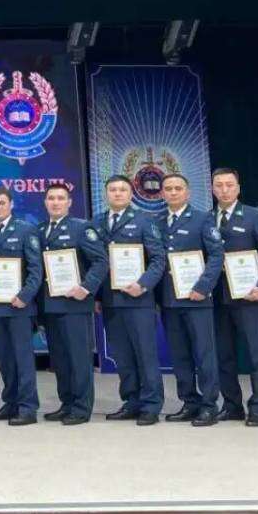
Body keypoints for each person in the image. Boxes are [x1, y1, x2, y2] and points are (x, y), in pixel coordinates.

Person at [91, 176, 167, 426]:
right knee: (122, 356)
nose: (117, 193)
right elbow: (94, 262)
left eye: (122, 189)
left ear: (131, 193)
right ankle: (131, 401)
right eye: (112, 189)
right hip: (111, 300)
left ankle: (151, 405)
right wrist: (97, 295)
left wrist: (143, 284)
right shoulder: (97, 222)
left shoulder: (146, 221)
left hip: (138, 299)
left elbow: (158, 259)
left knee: (145, 354)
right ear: (106, 194)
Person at [210, 167, 258, 427]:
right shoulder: (207, 218)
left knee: (256, 354)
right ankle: (231, 406)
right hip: (217, 297)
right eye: (219, 185)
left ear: (238, 188)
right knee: (223, 354)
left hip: (250, 296)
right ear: (212, 189)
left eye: (229, 185)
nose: (224, 190)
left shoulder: (255, 216)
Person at [38, 182, 108, 426]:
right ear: (45, 202)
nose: (55, 202)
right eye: (51, 198)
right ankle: (66, 402)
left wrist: (86, 288)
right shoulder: (40, 230)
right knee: (60, 359)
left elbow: (100, 261)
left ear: (69, 202)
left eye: (60, 198)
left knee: (79, 358)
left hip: (75, 305)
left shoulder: (82, 229)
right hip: (50, 305)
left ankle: (81, 407)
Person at [158, 173, 225, 427]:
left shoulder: (203, 219)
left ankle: (209, 405)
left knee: (204, 353)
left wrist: (203, 286)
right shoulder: (157, 221)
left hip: (197, 298)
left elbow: (217, 255)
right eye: (168, 189)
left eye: (178, 188)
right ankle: (189, 401)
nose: (173, 193)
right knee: (180, 354)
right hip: (169, 299)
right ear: (162, 193)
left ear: (187, 192)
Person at [0, 186, 43, 426]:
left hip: (19, 306)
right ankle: (11, 403)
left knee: (23, 358)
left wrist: (24, 296)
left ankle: (28, 407)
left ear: (11, 204)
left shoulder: (26, 230)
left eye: (2, 203)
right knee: (5, 357)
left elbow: (36, 269)